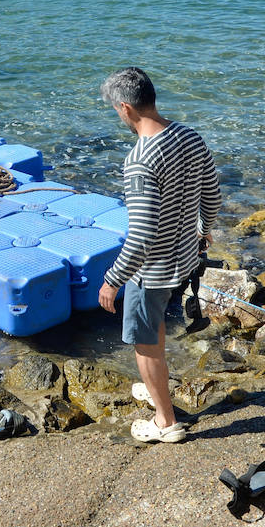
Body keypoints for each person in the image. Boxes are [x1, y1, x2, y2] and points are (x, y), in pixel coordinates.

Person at [97, 67, 221, 444]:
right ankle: (156, 388)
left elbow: (142, 236)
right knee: (156, 328)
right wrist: (203, 231)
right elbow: (212, 197)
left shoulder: (139, 161)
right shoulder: (189, 135)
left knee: (145, 343)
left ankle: (165, 422)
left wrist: (112, 280)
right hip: (184, 257)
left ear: (125, 108)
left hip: (150, 272)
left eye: (115, 110)